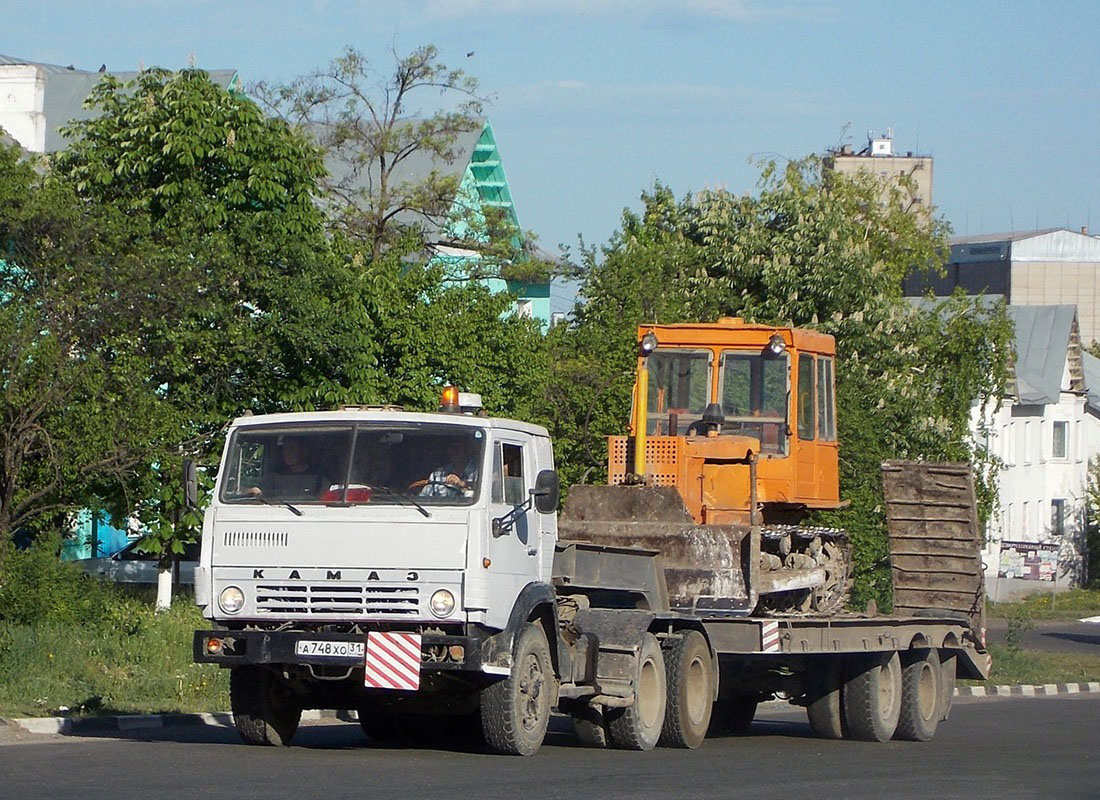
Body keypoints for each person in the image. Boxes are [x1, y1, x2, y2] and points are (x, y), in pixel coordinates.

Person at [412, 436, 479, 498]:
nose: (454, 452)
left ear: (468, 450)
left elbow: (485, 489)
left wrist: (462, 483)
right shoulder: (437, 475)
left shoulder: (481, 472)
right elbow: (423, 498)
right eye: (451, 448)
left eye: (458, 448)